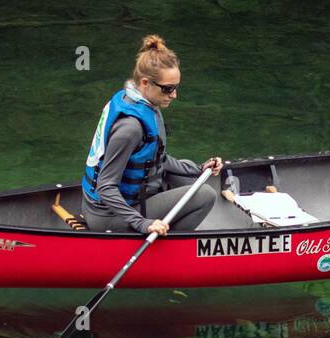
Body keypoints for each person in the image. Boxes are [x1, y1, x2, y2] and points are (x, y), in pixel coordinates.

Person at [81, 34, 223, 235]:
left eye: (175, 87)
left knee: (188, 175)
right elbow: (106, 188)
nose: (174, 95)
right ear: (146, 83)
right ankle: (167, 248)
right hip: (108, 216)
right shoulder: (129, 129)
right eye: (168, 89)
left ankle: (161, 229)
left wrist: (198, 169)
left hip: (133, 199)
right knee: (205, 195)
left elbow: (156, 159)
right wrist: (142, 223)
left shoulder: (144, 103)